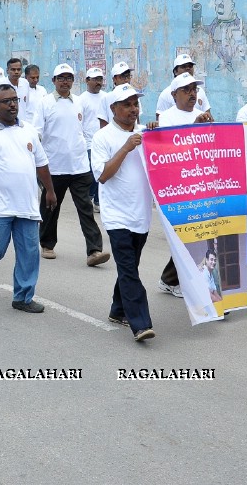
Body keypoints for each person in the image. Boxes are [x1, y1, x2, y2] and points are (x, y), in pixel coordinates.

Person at [0, 83, 57, 313]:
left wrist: (49, 190)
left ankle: (23, 298)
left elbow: (42, 163)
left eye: (15, 100)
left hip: (26, 205)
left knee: (29, 252)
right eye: (6, 101)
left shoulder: (28, 131)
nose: (13, 104)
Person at [92, 83, 156, 342]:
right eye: (127, 104)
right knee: (129, 270)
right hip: (117, 216)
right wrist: (126, 147)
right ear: (113, 109)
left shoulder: (144, 134)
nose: (133, 109)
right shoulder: (103, 137)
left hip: (141, 215)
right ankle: (140, 324)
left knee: (130, 266)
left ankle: (118, 310)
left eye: (135, 104)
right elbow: (104, 176)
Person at [147, 72, 213, 299]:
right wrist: (194, 128)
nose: (192, 93)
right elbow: (170, 154)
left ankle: (171, 279)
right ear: (174, 94)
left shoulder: (202, 116)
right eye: (187, 90)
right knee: (187, 236)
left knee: (200, 235)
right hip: (178, 188)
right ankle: (177, 281)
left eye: (194, 89)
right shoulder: (166, 118)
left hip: (201, 185)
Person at [37, 63, 109, 266]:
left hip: (78, 165)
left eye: (68, 77)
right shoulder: (45, 103)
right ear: (53, 81)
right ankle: (47, 244)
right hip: (54, 166)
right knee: (51, 207)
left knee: (85, 208)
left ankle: (94, 250)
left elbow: (85, 130)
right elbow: (37, 133)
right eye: (61, 78)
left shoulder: (79, 102)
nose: (65, 81)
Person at [78, 67, 107, 209]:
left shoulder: (106, 98)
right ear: (87, 80)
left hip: (103, 141)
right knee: (91, 172)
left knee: (102, 170)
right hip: (88, 142)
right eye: (95, 79)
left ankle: (97, 200)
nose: (98, 82)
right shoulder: (81, 100)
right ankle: (89, 197)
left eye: (100, 79)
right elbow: (79, 122)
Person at [155, 53, 211, 118]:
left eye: (190, 66)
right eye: (183, 66)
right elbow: (160, 121)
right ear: (175, 71)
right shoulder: (165, 94)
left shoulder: (200, 91)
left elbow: (208, 116)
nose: (188, 68)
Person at [98, 62, 136, 127]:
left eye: (128, 76)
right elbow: (103, 126)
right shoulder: (106, 98)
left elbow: (137, 121)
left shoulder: (134, 95)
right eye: (123, 77)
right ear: (114, 79)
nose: (126, 80)